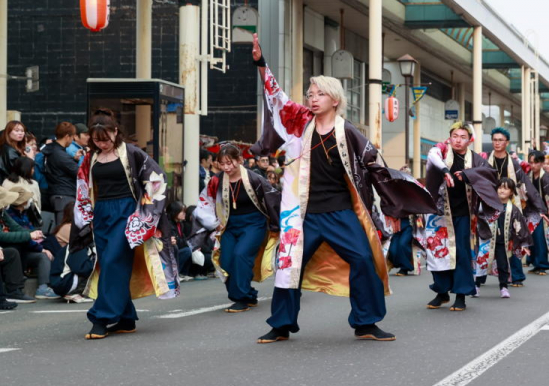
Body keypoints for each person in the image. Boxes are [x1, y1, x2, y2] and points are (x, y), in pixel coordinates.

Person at [248, 35, 434, 344]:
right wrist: (261, 63)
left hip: (340, 213)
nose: (313, 98)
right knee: (289, 264)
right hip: (304, 215)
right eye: (310, 93)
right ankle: (281, 325)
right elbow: (276, 96)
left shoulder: (349, 133)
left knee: (363, 259)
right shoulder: (299, 124)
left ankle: (366, 322)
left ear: (335, 100)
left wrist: (397, 202)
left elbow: (376, 168)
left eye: (320, 93)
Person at [75, 109, 179, 340]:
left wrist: (145, 215)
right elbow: (83, 188)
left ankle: (101, 317)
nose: (102, 144)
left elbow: (157, 180)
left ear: (115, 132)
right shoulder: (89, 158)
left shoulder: (133, 153)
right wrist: (87, 217)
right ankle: (126, 318)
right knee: (109, 263)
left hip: (127, 213)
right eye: (96, 140)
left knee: (113, 262)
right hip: (101, 213)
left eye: (106, 139)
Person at [421, 122, 500, 312]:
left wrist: (468, 175)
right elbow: (432, 157)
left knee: (462, 254)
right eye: (455, 136)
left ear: (470, 140)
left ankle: (461, 295)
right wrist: (445, 171)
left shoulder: (476, 159)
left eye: (463, 137)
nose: (458, 140)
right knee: (437, 252)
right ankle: (441, 292)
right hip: (438, 213)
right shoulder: (441, 151)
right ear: (450, 137)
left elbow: (490, 174)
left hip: (463, 213)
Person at [194, 142, 281, 313]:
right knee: (225, 260)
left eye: (229, 162)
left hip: (253, 223)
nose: (226, 167)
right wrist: (213, 222)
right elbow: (204, 203)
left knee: (241, 255)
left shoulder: (255, 178)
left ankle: (241, 298)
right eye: (222, 163)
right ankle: (248, 294)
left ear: (240, 160)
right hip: (228, 224)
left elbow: (273, 199)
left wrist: (277, 225)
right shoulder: (216, 181)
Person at [489, 178, 530, 298]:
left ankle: (503, 287)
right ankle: (476, 285)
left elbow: (519, 226)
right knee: (482, 263)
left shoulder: (514, 209)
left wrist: (522, 242)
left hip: (503, 241)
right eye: (500, 187)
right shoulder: (489, 204)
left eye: (506, 188)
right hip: (488, 239)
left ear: (511, 192)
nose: (502, 191)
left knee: (503, 265)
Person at [42, 122, 79, 230]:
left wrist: (74, 159)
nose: (73, 140)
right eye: (72, 137)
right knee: (63, 229)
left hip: (57, 193)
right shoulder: (61, 155)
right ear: (67, 136)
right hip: (64, 195)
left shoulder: (51, 150)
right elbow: (78, 173)